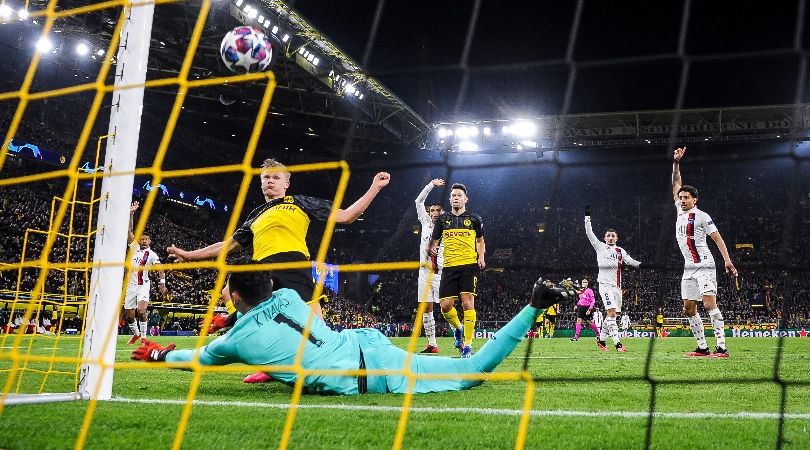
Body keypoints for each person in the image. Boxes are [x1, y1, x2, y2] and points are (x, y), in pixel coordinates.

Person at [131, 263, 578, 395]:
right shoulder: (289, 297)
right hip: (370, 346)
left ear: (231, 297)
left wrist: (157, 354)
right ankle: (534, 304)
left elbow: (195, 358)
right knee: (467, 368)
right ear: (269, 285)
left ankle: (533, 306)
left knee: (470, 376)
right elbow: (278, 315)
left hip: (368, 375)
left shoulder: (233, 343)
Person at [167, 159, 390, 382]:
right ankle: (268, 363)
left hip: (294, 267)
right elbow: (227, 246)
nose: (270, 181)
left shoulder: (300, 202)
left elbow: (346, 216)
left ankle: (348, 364)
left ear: (286, 183)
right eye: (266, 178)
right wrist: (189, 255)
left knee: (318, 330)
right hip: (263, 272)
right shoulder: (255, 215)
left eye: (275, 177)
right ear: (261, 183)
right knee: (230, 291)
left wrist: (374, 188)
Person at [671, 147, 737, 357]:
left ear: (695, 200)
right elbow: (675, 183)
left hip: (705, 264)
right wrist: (676, 163)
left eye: (686, 198)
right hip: (688, 267)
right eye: (681, 197)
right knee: (689, 309)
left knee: (709, 304)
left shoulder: (701, 216)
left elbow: (717, 238)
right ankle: (702, 347)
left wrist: (727, 261)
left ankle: (722, 348)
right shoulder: (679, 211)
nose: (682, 200)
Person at [427, 183, 485, 358]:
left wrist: (481, 257)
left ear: (465, 199)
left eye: (459, 195)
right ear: (450, 199)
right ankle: (458, 329)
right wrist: (432, 251)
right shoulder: (443, 221)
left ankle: (467, 345)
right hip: (449, 267)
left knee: (468, 303)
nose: (456, 198)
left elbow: (481, 241)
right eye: (453, 195)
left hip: (469, 266)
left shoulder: (475, 219)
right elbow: (434, 243)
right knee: (445, 307)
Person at [584, 206, 641, 353]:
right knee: (612, 313)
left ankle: (601, 340)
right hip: (604, 285)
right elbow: (589, 233)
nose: (610, 237)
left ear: (616, 238)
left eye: (612, 236)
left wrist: (642, 265)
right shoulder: (600, 247)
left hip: (617, 287)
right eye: (608, 235)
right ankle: (618, 344)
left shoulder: (620, 251)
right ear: (604, 237)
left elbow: (630, 260)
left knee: (611, 315)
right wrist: (587, 216)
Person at [124, 201, 168, 345]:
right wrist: (131, 214)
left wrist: (162, 283)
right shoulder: (134, 247)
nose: (143, 241)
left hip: (143, 285)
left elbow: (160, 268)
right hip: (130, 285)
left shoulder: (152, 255)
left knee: (141, 311)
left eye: (146, 239)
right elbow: (129, 232)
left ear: (150, 241)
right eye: (142, 238)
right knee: (129, 316)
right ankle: (136, 334)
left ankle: (143, 337)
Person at [414, 178, 445, 354]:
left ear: (443, 212)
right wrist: (431, 185)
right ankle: (432, 344)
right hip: (424, 272)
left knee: (447, 307)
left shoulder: (447, 229)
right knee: (426, 307)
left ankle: (461, 337)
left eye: (437, 210)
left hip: (440, 273)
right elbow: (418, 201)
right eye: (432, 210)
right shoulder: (425, 223)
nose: (434, 212)